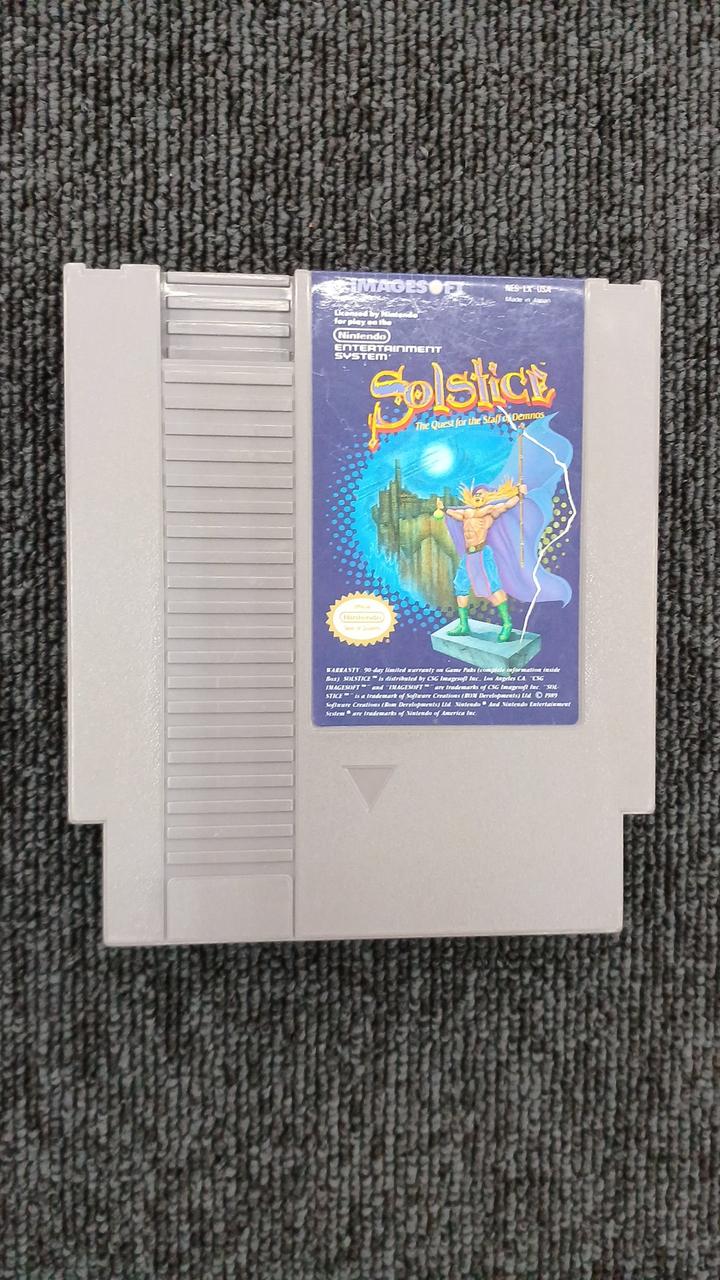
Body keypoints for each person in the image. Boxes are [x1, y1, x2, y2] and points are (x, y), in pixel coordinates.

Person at [433, 480, 527, 641]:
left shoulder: (489, 511)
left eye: (482, 494)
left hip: (482, 553)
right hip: (468, 556)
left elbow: (506, 505)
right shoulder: (466, 513)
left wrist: (520, 495)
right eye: (476, 494)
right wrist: (443, 508)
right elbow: (454, 514)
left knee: (494, 586)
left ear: (487, 498)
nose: (478, 496)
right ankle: (463, 625)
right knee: (460, 586)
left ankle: (507, 624)